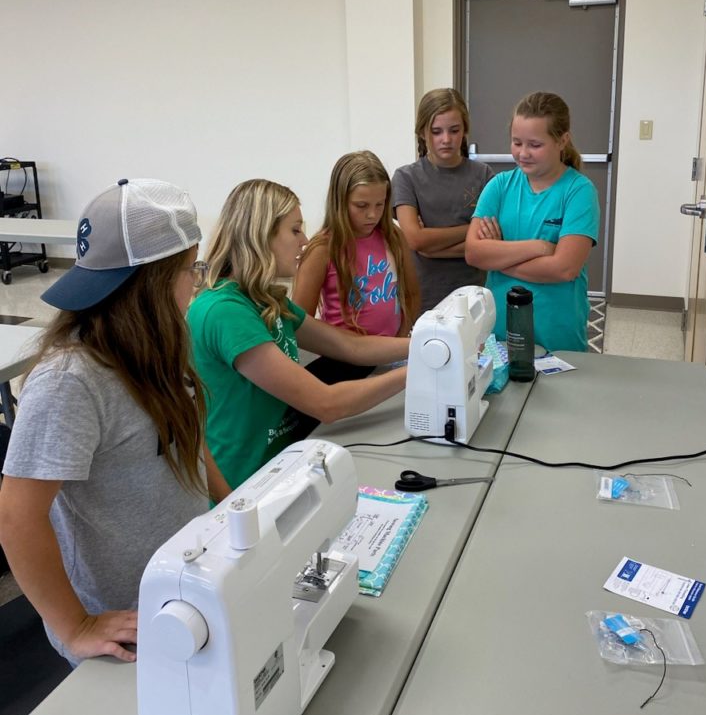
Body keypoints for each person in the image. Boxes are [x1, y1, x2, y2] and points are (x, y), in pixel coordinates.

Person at [0, 178, 228, 667]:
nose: (197, 283)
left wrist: (229, 510)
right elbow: (15, 516)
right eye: (193, 270)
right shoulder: (71, 381)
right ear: (153, 283)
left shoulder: (161, 346)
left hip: (184, 588)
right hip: (127, 625)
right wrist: (75, 625)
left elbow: (185, 441)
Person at [187, 179, 410, 491]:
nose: (305, 240)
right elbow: (326, 404)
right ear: (261, 234)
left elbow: (349, 346)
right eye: (295, 230)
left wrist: (420, 345)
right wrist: (415, 372)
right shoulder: (225, 311)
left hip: (282, 467)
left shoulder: (266, 298)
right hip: (244, 483)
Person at [465, 91, 600, 352]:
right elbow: (473, 253)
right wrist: (538, 247)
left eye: (535, 145)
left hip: (557, 337)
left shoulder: (579, 192)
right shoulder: (500, 186)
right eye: (517, 142)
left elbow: (564, 269)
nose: (523, 153)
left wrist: (499, 257)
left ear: (562, 141)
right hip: (501, 334)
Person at [294, 150, 419, 340]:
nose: (372, 214)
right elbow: (300, 323)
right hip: (342, 359)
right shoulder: (322, 249)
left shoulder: (394, 237)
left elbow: (412, 294)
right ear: (340, 201)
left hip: (391, 350)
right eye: (361, 206)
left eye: (380, 204)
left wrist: (399, 340)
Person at [392, 88, 493, 312]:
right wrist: (472, 230)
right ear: (422, 133)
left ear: (465, 129)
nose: (446, 139)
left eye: (454, 130)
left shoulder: (484, 175)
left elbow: (491, 243)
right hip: (424, 298)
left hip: (474, 296)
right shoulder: (406, 177)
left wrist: (432, 248)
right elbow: (416, 240)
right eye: (436, 131)